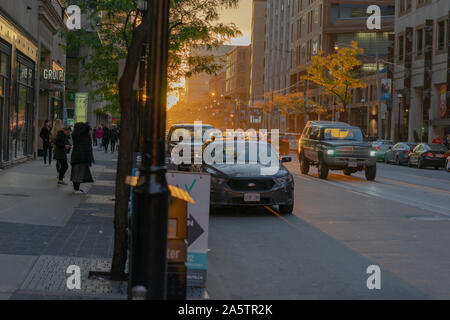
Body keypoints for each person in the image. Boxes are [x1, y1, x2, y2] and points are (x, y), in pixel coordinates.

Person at [70, 122, 95, 194]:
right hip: (81, 156)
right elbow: (86, 127)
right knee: (79, 173)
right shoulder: (81, 134)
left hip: (76, 155)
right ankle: (76, 189)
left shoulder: (75, 133)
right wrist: (86, 125)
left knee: (75, 173)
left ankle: (75, 189)